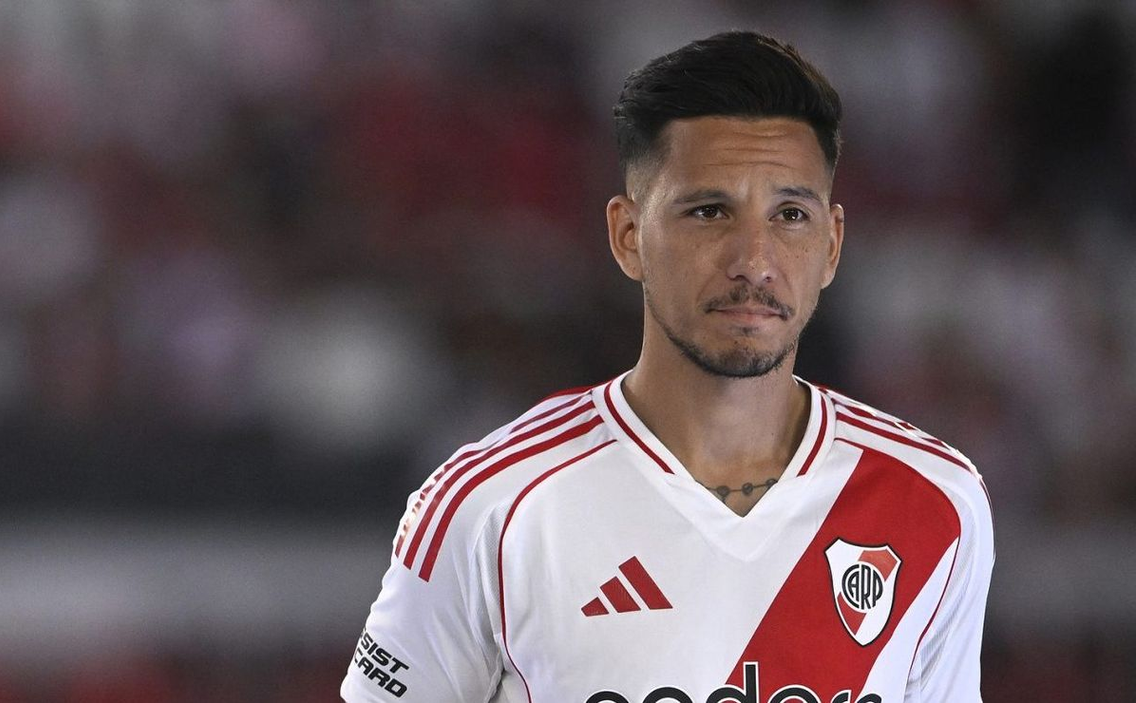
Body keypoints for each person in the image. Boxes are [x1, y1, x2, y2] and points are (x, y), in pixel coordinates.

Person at [341, 31, 994, 703]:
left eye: (790, 215)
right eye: (710, 211)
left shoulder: (937, 502)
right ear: (628, 236)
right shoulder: (493, 507)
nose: (754, 260)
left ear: (831, 245)